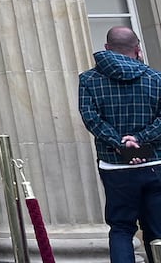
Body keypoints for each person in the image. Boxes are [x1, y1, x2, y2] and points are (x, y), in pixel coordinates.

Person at [79, 25, 161, 263]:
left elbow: (91, 118)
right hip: (154, 162)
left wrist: (120, 144)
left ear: (107, 48)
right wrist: (139, 139)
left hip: (115, 166)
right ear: (138, 49)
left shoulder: (88, 80)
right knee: (157, 229)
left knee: (122, 229)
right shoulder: (155, 78)